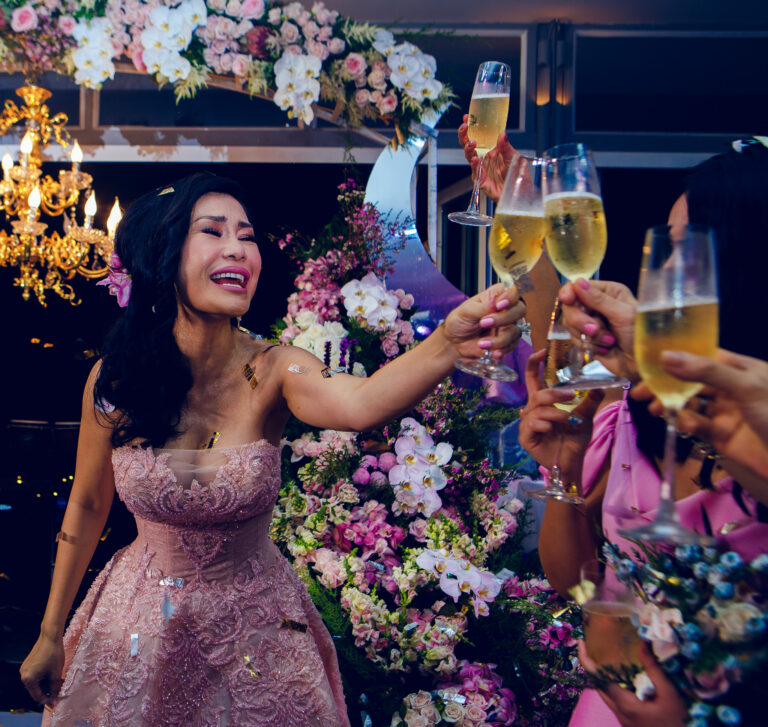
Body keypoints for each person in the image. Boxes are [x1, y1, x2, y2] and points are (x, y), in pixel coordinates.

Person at [19, 173, 526, 726]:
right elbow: (88, 504)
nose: (238, 247)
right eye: (213, 231)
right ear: (162, 255)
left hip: (256, 639)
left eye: (248, 235)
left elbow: (361, 404)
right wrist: (50, 632)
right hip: (139, 623)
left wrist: (447, 343)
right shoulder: (113, 380)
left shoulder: (278, 367)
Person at [520, 141, 768, 727]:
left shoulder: (750, 421)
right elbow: (577, 583)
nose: (658, 275)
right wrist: (563, 468)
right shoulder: (632, 407)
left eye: (682, 253)